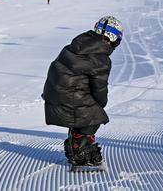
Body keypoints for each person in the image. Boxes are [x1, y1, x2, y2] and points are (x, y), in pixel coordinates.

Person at [42, 16, 123, 167]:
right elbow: (99, 88)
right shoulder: (101, 58)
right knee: (96, 115)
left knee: (86, 111)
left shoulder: (76, 45)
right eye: (117, 40)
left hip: (54, 93)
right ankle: (80, 151)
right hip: (68, 95)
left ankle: (76, 140)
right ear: (111, 37)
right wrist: (101, 103)